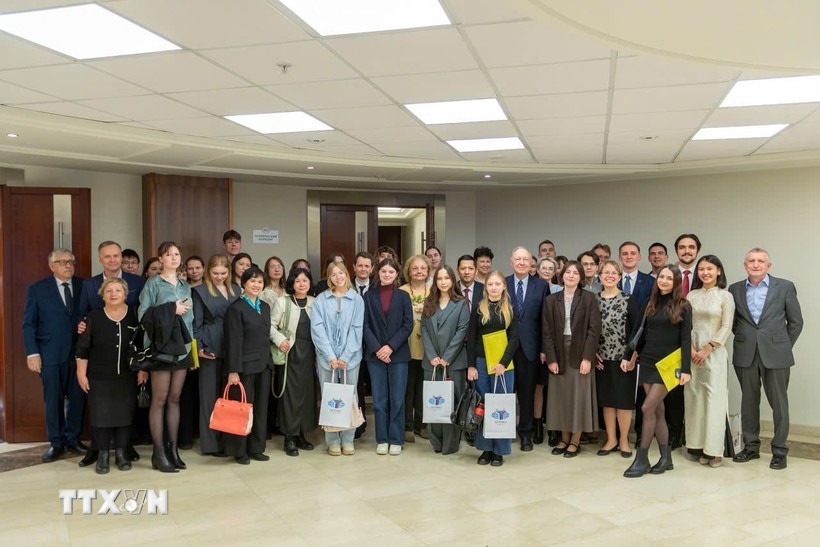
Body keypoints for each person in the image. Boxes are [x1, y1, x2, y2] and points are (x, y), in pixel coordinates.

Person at [729, 248, 803, 470]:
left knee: (779, 404)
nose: (756, 264)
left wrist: (782, 345)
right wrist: (746, 339)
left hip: (776, 354)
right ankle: (751, 447)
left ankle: (779, 451)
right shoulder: (734, 289)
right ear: (745, 265)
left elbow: (796, 322)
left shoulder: (785, 287)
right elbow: (734, 322)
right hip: (746, 353)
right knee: (748, 402)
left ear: (768, 266)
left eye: (761, 261)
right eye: (751, 261)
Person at [76, 240, 145, 467]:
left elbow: (142, 338)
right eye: (107, 256)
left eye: (116, 255)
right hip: (99, 368)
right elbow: (82, 323)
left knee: (126, 412)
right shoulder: (90, 290)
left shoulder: (137, 284)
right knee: (100, 413)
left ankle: (124, 450)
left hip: (127, 369)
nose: (113, 260)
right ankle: (101, 452)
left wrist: (143, 368)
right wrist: (82, 325)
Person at [622, 265, 692, 478]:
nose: (664, 281)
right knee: (657, 411)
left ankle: (642, 459)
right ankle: (666, 458)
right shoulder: (649, 302)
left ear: (676, 282)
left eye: (669, 278)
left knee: (646, 408)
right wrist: (628, 356)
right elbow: (638, 332)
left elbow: (686, 339)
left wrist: (686, 369)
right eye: (661, 277)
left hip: (668, 365)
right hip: (647, 361)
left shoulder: (683, 305)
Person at [23, 248, 87, 463]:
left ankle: (73, 439)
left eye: (71, 261)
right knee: (53, 399)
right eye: (62, 262)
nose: (68, 265)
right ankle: (56, 443)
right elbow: (28, 323)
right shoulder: (37, 289)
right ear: (52, 266)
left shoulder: (84, 285)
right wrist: (32, 352)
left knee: (78, 398)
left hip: (79, 353)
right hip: (50, 353)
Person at [137, 241, 194, 473]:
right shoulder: (153, 283)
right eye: (168, 254)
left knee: (175, 398)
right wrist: (171, 309)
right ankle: (158, 452)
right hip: (161, 347)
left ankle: (173, 449)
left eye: (177, 254)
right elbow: (143, 314)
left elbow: (190, 317)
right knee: (159, 399)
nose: (173, 257)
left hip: (182, 346)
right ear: (160, 259)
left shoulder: (184, 284)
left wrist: (191, 348)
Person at [542, 261, 602, 458]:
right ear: (562, 275)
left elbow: (594, 330)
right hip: (559, 352)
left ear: (581, 276)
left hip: (580, 352)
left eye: (576, 272)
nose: (571, 275)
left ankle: (575, 441)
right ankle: (564, 438)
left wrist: (587, 357)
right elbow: (547, 332)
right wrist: (551, 359)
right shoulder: (551, 300)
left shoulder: (589, 298)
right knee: (561, 398)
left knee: (578, 397)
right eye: (568, 272)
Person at [685, 255, 734, 467]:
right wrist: (691, 349)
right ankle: (697, 446)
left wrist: (707, 349)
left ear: (718, 271)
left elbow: (726, 326)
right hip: (692, 353)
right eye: (702, 269)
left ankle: (714, 450)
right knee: (694, 398)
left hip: (714, 353)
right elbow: (685, 324)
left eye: (710, 269)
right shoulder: (691, 295)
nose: (705, 273)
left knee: (714, 400)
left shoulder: (725, 296)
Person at [311, 263, 365, 456]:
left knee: (350, 396)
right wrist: (331, 356)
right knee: (330, 397)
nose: (338, 277)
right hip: (327, 359)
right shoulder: (321, 300)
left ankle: (348, 439)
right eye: (333, 274)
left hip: (351, 359)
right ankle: (333, 440)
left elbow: (357, 329)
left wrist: (346, 356)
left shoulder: (357, 299)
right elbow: (317, 329)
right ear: (329, 278)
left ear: (347, 274)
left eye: (341, 273)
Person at [467, 270, 519, 467]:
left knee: (500, 406)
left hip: (503, 365)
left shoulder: (510, 309)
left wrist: (503, 363)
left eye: (498, 284)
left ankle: (499, 451)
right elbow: (471, 338)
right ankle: (485, 448)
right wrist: (471, 365)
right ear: (485, 287)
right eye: (490, 284)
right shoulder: (478, 308)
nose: (494, 288)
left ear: (504, 286)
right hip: (481, 362)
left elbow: (514, 339)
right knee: (483, 404)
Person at [362, 258, 413, 456]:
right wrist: (378, 348)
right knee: (379, 400)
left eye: (391, 272)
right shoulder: (368, 296)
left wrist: (390, 346)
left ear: (397, 274)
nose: (387, 275)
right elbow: (364, 325)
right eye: (384, 271)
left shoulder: (403, 296)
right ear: (378, 273)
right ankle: (382, 439)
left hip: (397, 355)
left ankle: (396, 439)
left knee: (397, 399)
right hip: (375, 356)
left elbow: (408, 324)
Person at [223, 267, 273, 465]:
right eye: (252, 281)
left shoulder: (265, 306)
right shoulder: (236, 308)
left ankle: (256, 448)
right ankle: (240, 450)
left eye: (260, 281)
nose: (256, 285)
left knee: (261, 409)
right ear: (244, 283)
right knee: (242, 409)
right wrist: (233, 370)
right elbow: (233, 341)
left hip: (264, 365)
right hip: (244, 367)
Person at [192, 254, 239, 457]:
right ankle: (211, 444)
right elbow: (196, 323)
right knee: (209, 396)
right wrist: (199, 347)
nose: (219, 277)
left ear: (229, 272)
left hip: (232, 345)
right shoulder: (200, 292)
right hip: (210, 345)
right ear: (208, 272)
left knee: (228, 395)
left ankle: (228, 441)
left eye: (223, 273)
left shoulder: (236, 290)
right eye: (215, 273)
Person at [421, 266, 469, 455]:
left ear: (452, 280)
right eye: (439, 278)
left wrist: (447, 357)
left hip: (454, 363)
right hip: (431, 362)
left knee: (452, 404)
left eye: (446, 278)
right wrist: (432, 355)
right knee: (434, 403)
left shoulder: (461, 303)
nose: (443, 282)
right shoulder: (429, 302)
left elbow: (462, 330)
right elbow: (424, 329)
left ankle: (450, 444)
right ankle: (436, 443)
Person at [270, 267, 318, 456]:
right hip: (290, 354)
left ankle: (301, 434)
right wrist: (280, 340)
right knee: (290, 396)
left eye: (305, 280)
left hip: (310, 355)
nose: (301, 284)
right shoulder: (282, 302)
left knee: (307, 395)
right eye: (297, 281)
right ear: (292, 283)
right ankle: (289, 436)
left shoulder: (315, 302)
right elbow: (271, 326)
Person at [595, 260, 639, 457]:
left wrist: (631, 356)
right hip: (601, 359)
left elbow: (637, 330)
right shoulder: (593, 300)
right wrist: (591, 353)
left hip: (624, 359)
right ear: (600, 276)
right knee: (607, 401)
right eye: (606, 272)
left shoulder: (628, 299)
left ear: (620, 277)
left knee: (623, 401)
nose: (610, 276)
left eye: (614, 273)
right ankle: (611, 439)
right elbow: (589, 329)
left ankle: (624, 440)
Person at [506, 246, 547, 451]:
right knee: (505, 392)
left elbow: (545, 320)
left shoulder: (541, 285)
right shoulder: (502, 283)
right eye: (518, 259)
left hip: (530, 347)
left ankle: (525, 433)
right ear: (511, 262)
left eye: (525, 259)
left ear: (532, 263)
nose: (522, 262)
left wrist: (543, 348)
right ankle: (503, 431)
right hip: (505, 347)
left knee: (527, 393)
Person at [666, 233, 701, 449]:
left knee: (698, 391)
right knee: (674, 392)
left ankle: (695, 435)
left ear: (698, 250)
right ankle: (675, 433)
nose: (686, 251)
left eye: (691, 247)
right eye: (682, 247)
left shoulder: (705, 272)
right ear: (676, 250)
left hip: (701, 343)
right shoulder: (669, 274)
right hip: (673, 341)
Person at [399, 254, 431, 442]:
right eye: (415, 268)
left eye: (423, 268)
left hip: (428, 348)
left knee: (423, 388)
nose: (419, 271)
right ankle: (407, 426)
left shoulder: (434, 290)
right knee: (407, 388)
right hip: (406, 346)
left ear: (428, 271)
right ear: (408, 271)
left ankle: (422, 425)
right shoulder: (401, 291)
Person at [352, 252, 375, 438]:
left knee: (374, 385)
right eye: (360, 265)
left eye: (367, 266)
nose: (363, 269)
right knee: (356, 385)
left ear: (372, 268)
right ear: (354, 267)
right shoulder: (345, 286)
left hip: (374, 345)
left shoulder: (378, 287)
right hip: (353, 345)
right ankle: (357, 424)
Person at [617, 241, 654, 309]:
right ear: (619, 257)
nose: (629, 257)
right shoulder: (612, 280)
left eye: (633, 253)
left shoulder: (651, 282)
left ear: (639, 257)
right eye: (625, 254)